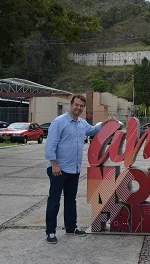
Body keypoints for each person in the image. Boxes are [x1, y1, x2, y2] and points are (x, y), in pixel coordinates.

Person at [45, 94, 116, 244]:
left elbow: (93, 130)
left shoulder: (82, 123)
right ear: (70, 105)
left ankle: (71, 227)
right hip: (58, 169)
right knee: (54, 201)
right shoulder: (59, 122)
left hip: (74, 169)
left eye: (81, 106)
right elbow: (50, 145)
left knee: (71, 200)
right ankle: (50, 232)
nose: (78, 108)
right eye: (76, 105)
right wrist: (54, 165)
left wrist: (105, 123)